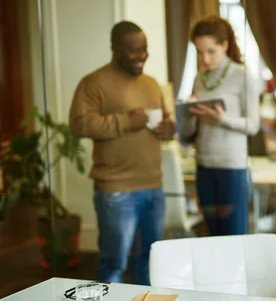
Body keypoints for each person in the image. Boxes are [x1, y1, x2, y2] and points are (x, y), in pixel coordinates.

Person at [69, 21, 175, 285]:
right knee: (114, 262)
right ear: (115, 49)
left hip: (153, 186)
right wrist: (125, 121)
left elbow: (163, 123)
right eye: (133, 50)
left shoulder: (152, 84)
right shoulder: (93, 83)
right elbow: (79, 124)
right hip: (116, 190)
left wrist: (168, 128)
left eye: (144, 49)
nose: (141, 56)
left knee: (149, 262)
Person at [180, 16, 259, 236]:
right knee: (212, 235)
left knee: (234, 236)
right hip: (204, 165)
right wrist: (188, 114)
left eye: (211, 51)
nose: (205, 58)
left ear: (225, 45)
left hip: (233, 168)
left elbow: (253, 125)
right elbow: (188, 132)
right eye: (199, 52)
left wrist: (221, 118)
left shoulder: (242, 76)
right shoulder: (199, 79)